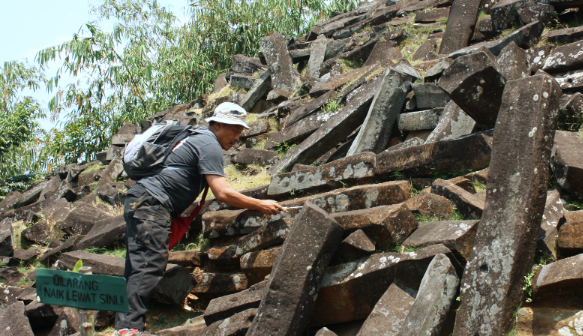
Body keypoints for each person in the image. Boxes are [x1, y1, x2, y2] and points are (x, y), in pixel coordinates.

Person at [113, 102, 286, 336]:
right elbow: (222, 192)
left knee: (137, 265)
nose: (237, 136)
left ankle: (124, 327)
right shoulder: (208, 143)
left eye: (240, 131)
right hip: (152, 203)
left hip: (141, 200)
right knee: (149, 263)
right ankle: (129, 329)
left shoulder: (197, 137)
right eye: (234, 129)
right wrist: (260, 204)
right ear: (218, 124)